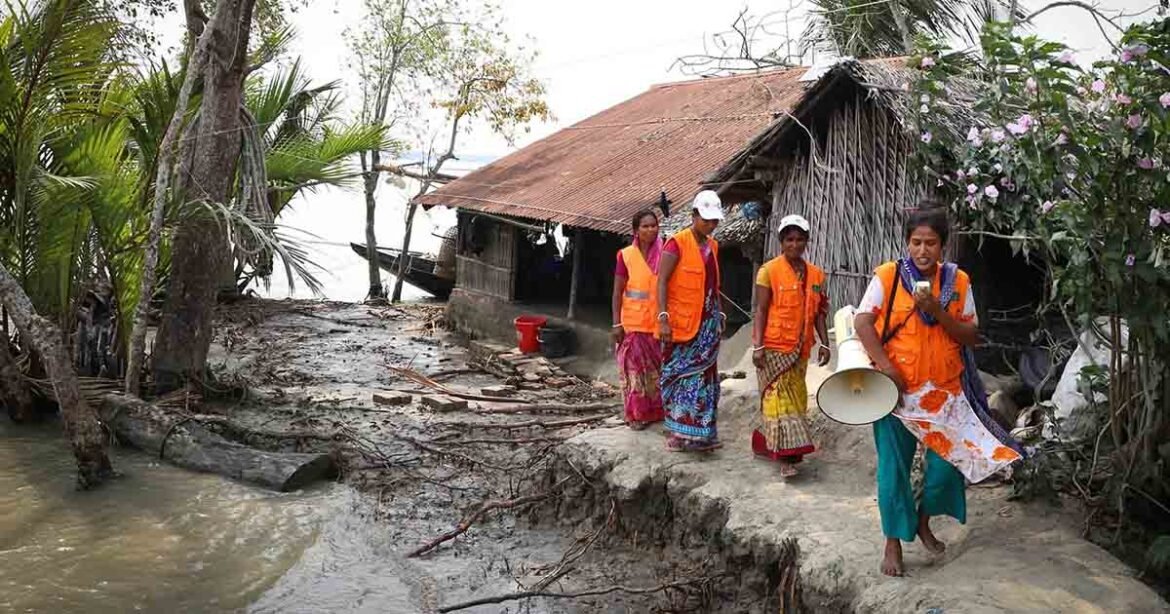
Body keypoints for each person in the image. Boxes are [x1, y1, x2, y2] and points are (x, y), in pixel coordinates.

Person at [854, 204, 1025, 577]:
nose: (922, 250)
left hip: (945, 395)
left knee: (947, 468)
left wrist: (937, 309)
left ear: (943, 246)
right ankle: (893, 542)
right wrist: (886, 367)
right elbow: (862, 321)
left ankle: (923, 521)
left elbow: (971, 335)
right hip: (895, 393)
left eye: (930, 242)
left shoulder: (958, 282)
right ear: (907, 243)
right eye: (916, 242)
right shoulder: (888, 276)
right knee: (893, 470)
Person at [750, 214, 831, 478]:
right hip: (773, 348)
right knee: (778, 403)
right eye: (789, 239)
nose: (794, 244)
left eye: (799, 239)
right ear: (781, 242)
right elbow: (760, 310)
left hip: (800, 351)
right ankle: (785, 460)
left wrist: (825, 343)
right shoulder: (768, 271)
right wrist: (757, 346)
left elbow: (820, 312)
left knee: (795, 401)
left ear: (807, 241)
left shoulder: (817, 274)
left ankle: (771, 446)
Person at [656, 190, 725, 452]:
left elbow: (712, 284)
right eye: (706, 219)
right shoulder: (676, 243)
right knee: (679, 376)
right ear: (694, 215)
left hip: (706, 323)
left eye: (714, 220)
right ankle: (677, 433)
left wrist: (717, 314)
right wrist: (663, 318)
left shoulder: (713, 246)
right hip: (680, 324)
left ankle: (702, 433)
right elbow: (661, 281)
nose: (711, 225)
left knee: (705, 378)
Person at [611, 210, 666, 430]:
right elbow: (617, 292)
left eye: (654, 225)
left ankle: (656, 412)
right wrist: (616, 323)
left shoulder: (666, 254)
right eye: (645, 226)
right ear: (636, 230)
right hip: (632, 325)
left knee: (656, 374)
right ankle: (636, 415)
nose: (651, 229)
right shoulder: (625, 255)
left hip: (656, 324)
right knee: (634, 374)